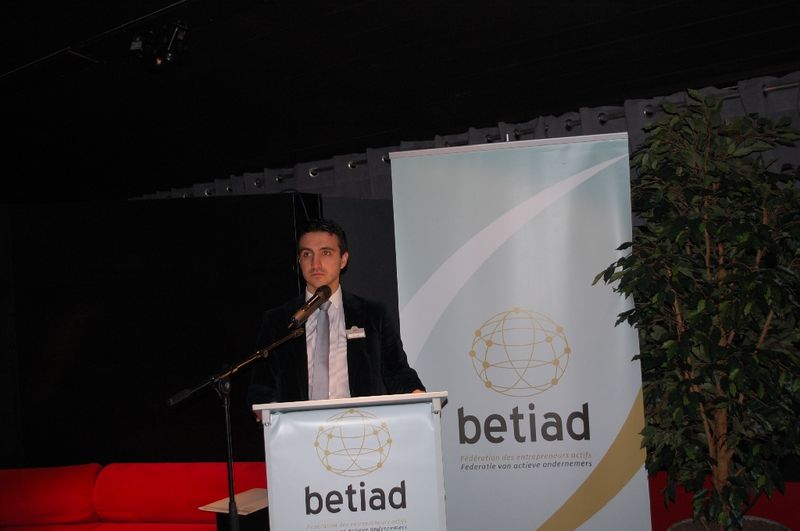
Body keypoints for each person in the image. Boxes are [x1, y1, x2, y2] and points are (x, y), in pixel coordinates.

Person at [247, 218, 424, 411]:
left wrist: (418, 396)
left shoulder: (372, 315)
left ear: (343, 259)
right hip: (300, 425)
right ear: (299, 261)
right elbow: (262, 387)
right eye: (307, 254)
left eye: (326, 253)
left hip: (362, 423)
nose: (315, 264)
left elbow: (397, 371)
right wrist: (272, 414)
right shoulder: (278, 321)